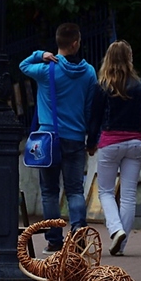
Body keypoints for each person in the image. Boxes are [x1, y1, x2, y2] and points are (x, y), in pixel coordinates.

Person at [19, 23, 97, 255]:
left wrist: (39, 54)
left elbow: (23, 65)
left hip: (48, 139)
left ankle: (54, 240)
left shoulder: (46, 71)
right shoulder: (89, 73)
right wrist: (90, 139)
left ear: (59, 43)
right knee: (74, 190)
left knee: (50, 191)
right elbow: (90, 108)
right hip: (75, 138)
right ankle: (79, 235)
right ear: (75, 43)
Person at [87, 40, 141, 257]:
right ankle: (121, 244)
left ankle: (116, 230)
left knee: (106, 191)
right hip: (134, 144)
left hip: (109, 143)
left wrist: (90, 144)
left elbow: (94, 119)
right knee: (128, 197)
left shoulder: (102, 86)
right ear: (129, 59)